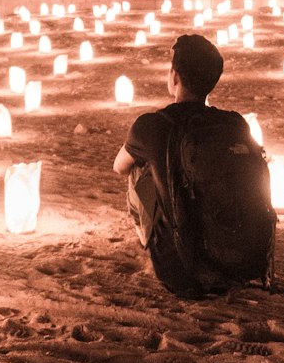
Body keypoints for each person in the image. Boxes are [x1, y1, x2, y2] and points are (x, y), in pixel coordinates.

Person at [113, 32, 274, 296]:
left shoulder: (153, 125)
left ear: (174, 76)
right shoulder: (235, 124)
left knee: (138, 168)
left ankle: (160, 242)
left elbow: (119, 167)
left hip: (181, 272)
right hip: (241, 263)